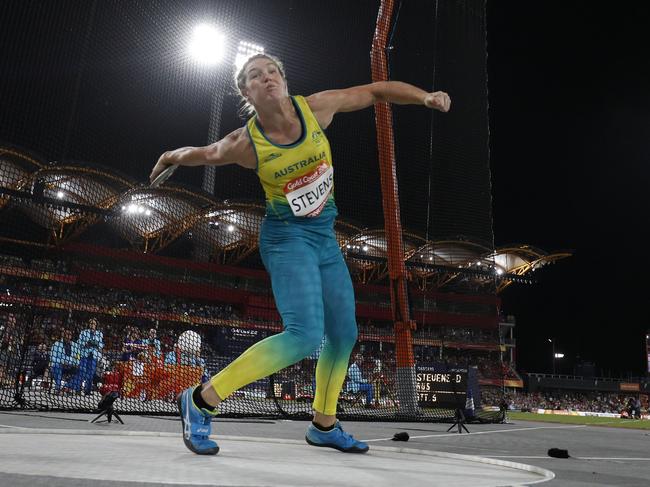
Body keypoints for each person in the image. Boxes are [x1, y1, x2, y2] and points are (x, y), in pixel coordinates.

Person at [150, 53, 451, 455]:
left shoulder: (318, 109)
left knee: (344, 334)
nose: (267, 78)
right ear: (247, 92)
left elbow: (377, 91)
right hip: (286, 239)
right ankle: (201, 399)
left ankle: (324, 424)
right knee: (305, 335)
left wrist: (425, 96)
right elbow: (202, 153)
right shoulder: (245, 144)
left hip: (324, 238)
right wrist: (170, 156)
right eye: (256, 76)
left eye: (273, 71)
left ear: (284, 80)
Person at [69, 317, 104, 395]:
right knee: (82, 371)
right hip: (84, 355)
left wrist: (97, 344)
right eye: (91, 323)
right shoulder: (83, 332)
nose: (92, 325)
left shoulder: (99, 333)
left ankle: (87, 391)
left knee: (91, 374)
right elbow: (79, 343)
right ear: (89, 324)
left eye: (94, 324)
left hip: (94, 356)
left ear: (96, 325)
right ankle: (77, 389)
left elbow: (101, 344)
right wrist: (86, 344)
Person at [49, 329, 80, 394]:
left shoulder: (75, 345)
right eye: (66, 334)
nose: (68, 336)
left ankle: (66, 387)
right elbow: (52, 357)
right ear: (63, 335)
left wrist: (74, 363)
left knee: (81, 370)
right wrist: (62, 362)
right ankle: (58, 388)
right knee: (57, 366)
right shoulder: (56, 344)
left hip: (71, 365)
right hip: (59, 365)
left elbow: (78, 358)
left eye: (70, 335)